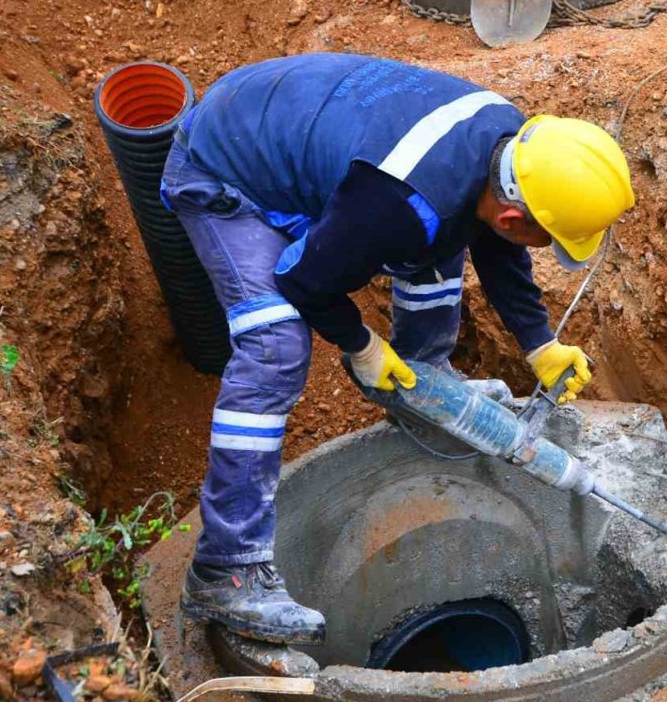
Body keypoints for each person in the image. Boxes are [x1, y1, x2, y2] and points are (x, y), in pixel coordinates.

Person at [158, 53, 635, 644]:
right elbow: (305, 282)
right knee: (276, 346)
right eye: (548, 237)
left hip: (294, 126)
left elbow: (497, 242)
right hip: (224, 169)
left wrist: (540, 343)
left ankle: (422, 386)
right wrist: (362, 346)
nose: (541, 246)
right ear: (514, 213)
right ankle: (224, 568)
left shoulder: (508, 143)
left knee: (438, 249)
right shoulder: (398, 201)